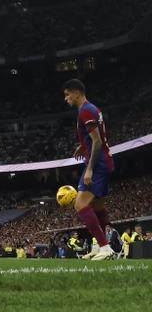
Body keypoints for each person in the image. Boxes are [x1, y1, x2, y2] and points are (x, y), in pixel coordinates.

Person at [63, 79, 117, 260]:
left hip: (98, 165)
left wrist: (90, 170)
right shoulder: (92, 108)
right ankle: (100, 245)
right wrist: (82, 146)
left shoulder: (86, 110)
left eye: (67, 94)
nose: (66, 98)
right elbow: (97, 136)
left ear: (77, 93)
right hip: (104, 161)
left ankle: (105, 247)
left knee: (80, 205)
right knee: (97, 206)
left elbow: (97, 141)